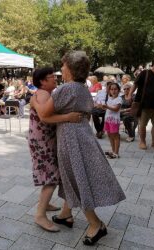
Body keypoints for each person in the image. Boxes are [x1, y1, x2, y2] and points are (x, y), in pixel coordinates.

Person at [32, 51, 125, 246]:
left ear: (71, 69)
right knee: (70, 177)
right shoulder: (82, 88)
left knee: (76, 178)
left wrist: (36, 102)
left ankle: (96, 223)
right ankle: (66, 214)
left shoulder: (65, 89)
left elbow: (45, 116)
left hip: (70, 140)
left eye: (63, 65)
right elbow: (87, 114)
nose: (61, 69)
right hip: (83, 136)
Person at [29, 67, 82, 232]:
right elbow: (45, 117)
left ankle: (45, 204)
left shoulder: (42, 93)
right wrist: (68, 117)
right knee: (51, 177)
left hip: (43, 140)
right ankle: (40, 215)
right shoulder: (44, 94)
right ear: (43, 81)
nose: (55, 79)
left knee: (49, 174)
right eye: (52, 77)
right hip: (43, 141)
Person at [128, 58, 154, 150]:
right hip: (144, 105)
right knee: (142, 124)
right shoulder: (144, 73)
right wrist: (129, 95)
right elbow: (135, 84)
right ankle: (142, 142)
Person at [103, 82, 122, 158]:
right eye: (112, 89)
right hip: (108, 119)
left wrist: (107, 107)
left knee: (115, 136)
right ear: (109, 90)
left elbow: (116, 109)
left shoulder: (119, 99)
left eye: (115, 89)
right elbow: (107, 108)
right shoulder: (109, 98)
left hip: (114, 121)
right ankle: (113, 151)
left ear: (118, 90)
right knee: (110, 135)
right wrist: (101, 106)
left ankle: (116, 153)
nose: (113, 91)